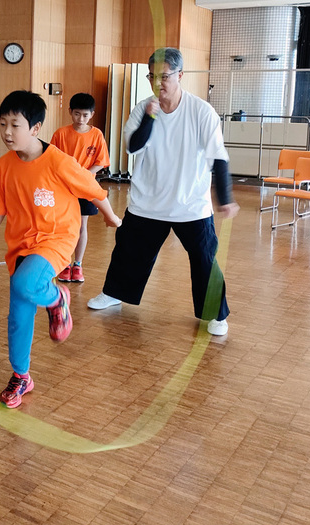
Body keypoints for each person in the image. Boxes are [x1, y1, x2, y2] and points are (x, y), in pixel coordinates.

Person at [0, 90, 122, 408]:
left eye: (15, 125)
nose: (7, 132)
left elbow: (93, 189)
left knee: (27, 284)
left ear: (35, 128)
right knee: (18, 316)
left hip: (57, 238)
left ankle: (57, 298)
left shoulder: (58, 162)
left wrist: (112, 217)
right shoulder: (5, 166)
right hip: (20, 244)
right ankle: (21, 376)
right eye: (2, 124)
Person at [87, 47, 240, 336]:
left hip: (190, 204)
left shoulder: (201, 111)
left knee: (205, 260)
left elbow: (218, 156)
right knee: (128, 251)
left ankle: (215, 315)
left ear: (180, 75)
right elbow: (133, 146)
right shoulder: (143, 108)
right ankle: (114, 294)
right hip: (148, 203)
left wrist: (226, 197)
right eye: (153, 76)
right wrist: (149, 117)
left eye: (165, 76)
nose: (159, 83)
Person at [50, 93, 110, 283]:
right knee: (65, 227)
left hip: (85, 188)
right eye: (77, 114)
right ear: (70, 112)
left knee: (82, 226)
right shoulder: (60, 134)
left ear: (91, 114)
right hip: (64, 189)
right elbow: (52, 159)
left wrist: (85, 175)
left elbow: (101, 161)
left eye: (85, 115)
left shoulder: (96, 134)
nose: (80, 119)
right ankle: (65, 264)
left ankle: (78, 265)